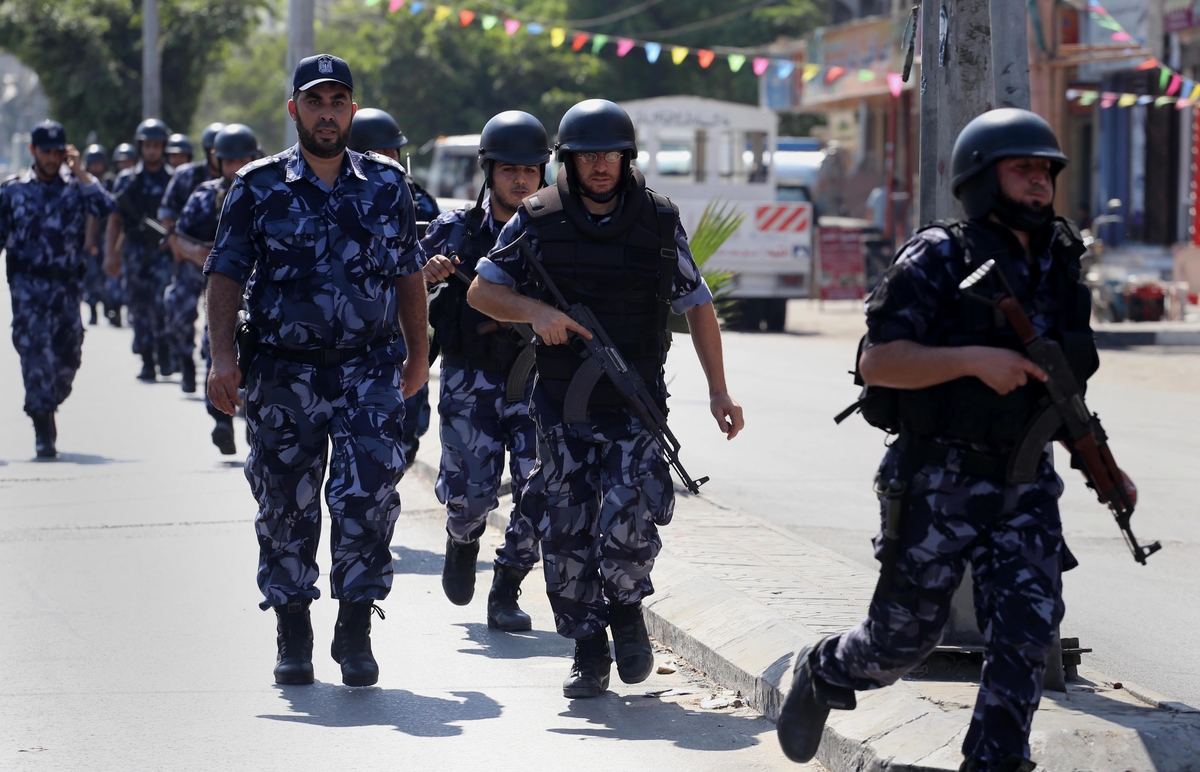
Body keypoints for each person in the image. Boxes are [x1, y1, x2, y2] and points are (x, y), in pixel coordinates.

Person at [775, 109, 1134, 772]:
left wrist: (1100, 464)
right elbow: (877, 364)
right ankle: (825, 669)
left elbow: (1060, 386)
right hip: (939, 476)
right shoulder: (939, 255)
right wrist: (972, 360)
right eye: (1022, 168)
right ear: (981, 178)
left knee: (1028, 634)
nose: (1038, 181)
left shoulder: (1058, 263)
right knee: (901, 641)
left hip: (1025, 482)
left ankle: (994, 762)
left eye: (1046, 170)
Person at [467, 99, 744, 698]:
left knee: (631, 518)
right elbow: (482, 292)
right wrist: (538, 313)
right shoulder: (537, 218)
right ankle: (588, 648)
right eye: (588, 155)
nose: (600, 165)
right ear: (568, 160)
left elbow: (697, 303)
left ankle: (626, 608)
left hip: (634, 403)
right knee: (566, 530)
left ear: (627, 157)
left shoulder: (658, 220)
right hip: (561, 405)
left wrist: (718, 390)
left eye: (611, 155)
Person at [204, 54, 429, 688]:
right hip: (283, 374)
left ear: (351, 110)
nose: (326, 113)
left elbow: (408, 272)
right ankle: (293, 627)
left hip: (369, 370)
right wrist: (222, 357)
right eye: (314, 101)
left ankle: (354, 628)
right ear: (294, 110)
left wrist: (419, 354)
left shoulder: (386, 184)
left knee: (368, 497)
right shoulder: (257, 185)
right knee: (285, 502)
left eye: (336, 102)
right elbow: (225, 273)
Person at [421, 110, 550, 631]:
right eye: (508, 170)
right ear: (489, 172)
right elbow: (398, 289)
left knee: (542, 488)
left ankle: (508, 583)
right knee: (471, 494)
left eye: (530, 170)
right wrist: (427, 274)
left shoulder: (557, 231)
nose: (520, 180)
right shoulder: (454, 229)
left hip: (538, 379)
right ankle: (462, 538)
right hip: (469, 379)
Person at [0, 120, 114, 457]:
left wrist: (80, 171)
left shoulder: (77, 188)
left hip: (67, 288)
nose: (51, 159)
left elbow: (107, 207)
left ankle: (50, 399)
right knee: (35, 352)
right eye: (45, 152)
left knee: (68, 357)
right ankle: (43, 424)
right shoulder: (13, 192)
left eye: (57, 152)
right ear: (33, 151)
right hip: (28, 288)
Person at [348, 107, 438, 466]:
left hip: (407, 323)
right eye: (379, 152)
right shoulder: (343, 197)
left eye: (393, 151)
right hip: (362, 330)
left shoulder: (418, 199)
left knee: (411, 416)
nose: (390, 159)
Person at [172, 124, 257, 456]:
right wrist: (200, 254)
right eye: (229, 160)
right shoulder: (203, 195)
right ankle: (222, 419)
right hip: (217, 286)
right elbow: (178, 237)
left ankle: (254, 423)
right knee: (216, 345)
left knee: (257, 353)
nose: (236, 167)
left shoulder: (269, 190)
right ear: (217, 161)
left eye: (242, 159)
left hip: (258, 288)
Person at [104, 118, 175, 380]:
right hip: (135, 251)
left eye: (156, 145)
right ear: (140, 147)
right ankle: (147, 359)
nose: (152, 150)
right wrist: (111, 253)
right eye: (147, 145)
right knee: (138, 307)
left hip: (164, 251)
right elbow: (115, 219)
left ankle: (164, 348)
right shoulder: (127, 179)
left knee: (162, 304)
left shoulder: (173, 179)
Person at [160, 123, 225, 393]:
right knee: (177, 311)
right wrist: (182, 250)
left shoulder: (246, 177)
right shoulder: (187, 177)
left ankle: (214, 367)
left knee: (223, 321)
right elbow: (167, 216)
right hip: (191, 256)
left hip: (226, 262)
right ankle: (185, 360)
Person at [101, 143, 137, 327]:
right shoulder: (113, 182)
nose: (125, 165)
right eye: (121, 162)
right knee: (113, 277)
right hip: (113, 234)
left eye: (128, 161)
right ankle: (112, 307)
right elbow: (113, 217)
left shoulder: (136, 182)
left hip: (132, 237)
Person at [82, 143, 109, 326]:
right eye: (93, 164)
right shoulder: (83, 186)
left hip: (107, 236)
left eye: (99, 163)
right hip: (90, 237)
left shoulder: (110, 184)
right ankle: (93, 311)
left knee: (108, 276)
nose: (96, 167)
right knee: (91, 276)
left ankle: (110, 309)